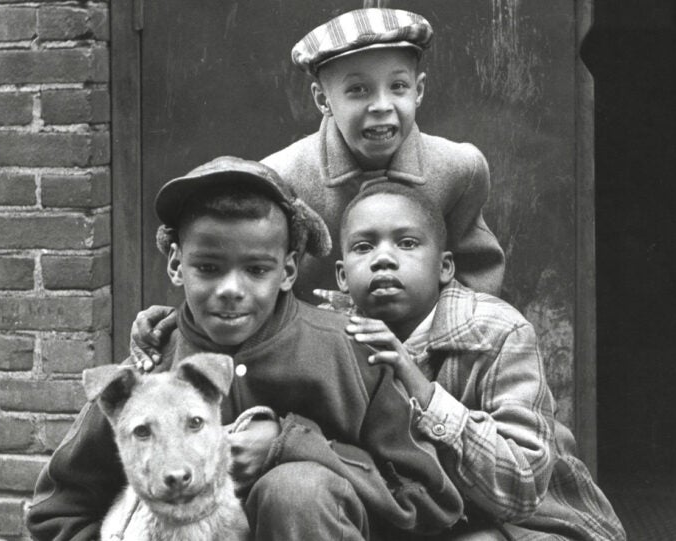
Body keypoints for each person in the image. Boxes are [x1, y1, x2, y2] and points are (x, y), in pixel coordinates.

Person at [26, 157, 463, 541]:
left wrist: (293, 444)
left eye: (256, 269)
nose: (231, 290)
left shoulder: (342, 352)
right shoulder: (149, 374)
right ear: (178, 265)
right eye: (209, 268)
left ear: (288, 270)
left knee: (297, 491)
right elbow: (58, 509)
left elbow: (429, 501)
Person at [338, 182, 625, 540]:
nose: (382, 258)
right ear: (342, 277)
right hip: (418, 518)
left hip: (527, 521)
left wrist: (419, 387)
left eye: (407, 243)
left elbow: (523, 488)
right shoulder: (333, 336)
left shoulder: (499, 331)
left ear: (445, 267)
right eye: (363, 247)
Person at [267, 6, 505, 301]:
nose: (382, 105)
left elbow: (477, 279)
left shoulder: (459, 169)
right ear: (322, 99)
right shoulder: (282, 177)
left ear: (418, 91)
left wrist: (427, 337)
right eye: (358, 89)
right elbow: (267, 282)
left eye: (398, 86)